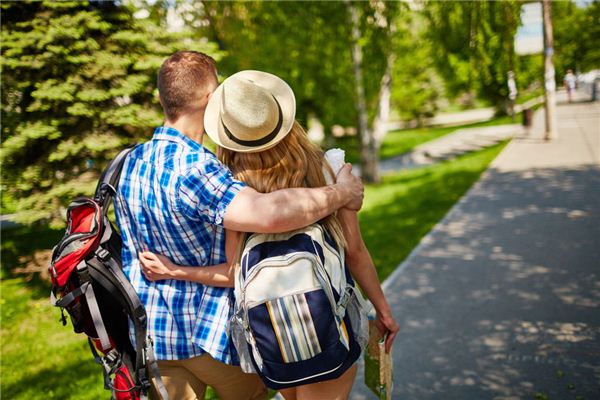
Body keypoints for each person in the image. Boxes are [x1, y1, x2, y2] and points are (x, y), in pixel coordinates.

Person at [114, 52, 365, 400]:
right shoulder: (199, 168)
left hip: (154, 337)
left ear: (162, 98)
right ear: (211, 99)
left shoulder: (129, 162)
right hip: (211, 339)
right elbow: (271, 214)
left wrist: (170, 271)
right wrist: (341, 192)